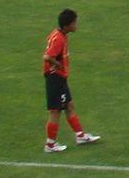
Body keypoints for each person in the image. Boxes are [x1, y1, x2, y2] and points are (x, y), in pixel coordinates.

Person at [41, 9, 102, 153]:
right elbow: (47, 57)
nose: (76, 25)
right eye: (75, 23)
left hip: (60, 78)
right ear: (67, 25)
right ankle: (50, 145)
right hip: (54, 79)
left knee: (69, 106)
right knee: (55, 111)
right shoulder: (59, 39)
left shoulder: (59, 34)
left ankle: (80, 135)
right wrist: (57, 65)